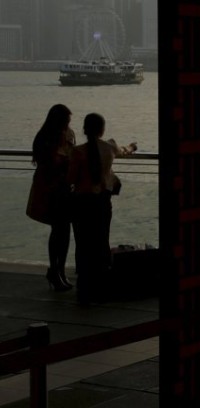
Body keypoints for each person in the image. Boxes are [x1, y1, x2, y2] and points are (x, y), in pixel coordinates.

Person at [68, 112, 137, 304]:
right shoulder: (109, 147)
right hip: (102, 202)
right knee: (101, 239)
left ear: (84, 129)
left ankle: (84, 284)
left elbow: (71, 178)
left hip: (81, 202)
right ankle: (100, 282)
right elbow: (124, 150)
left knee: (83, 242)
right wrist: (132, 146)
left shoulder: (77, 151)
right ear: (102, 129)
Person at [26, 104, 77, 292]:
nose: (68, 125)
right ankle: (56, 271)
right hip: (54, 189)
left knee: (61, 230)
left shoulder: (45, 137)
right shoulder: (53, 138)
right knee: (60, 230)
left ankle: (57, 271)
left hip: (58, 188)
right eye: (66, 121)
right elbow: (53, 163)